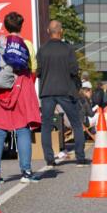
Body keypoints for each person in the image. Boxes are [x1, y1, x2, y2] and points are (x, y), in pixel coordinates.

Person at [0, 12, 41, 183]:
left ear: (5, 26)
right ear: (21, 26)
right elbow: (33, 69)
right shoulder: (27, 44)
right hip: (21, 88)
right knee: (23, 129)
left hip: (0, 90)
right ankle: (26, 172)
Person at [38, 19, 87, 167]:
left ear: (48, 31)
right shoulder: (68, 49)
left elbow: (39, 72)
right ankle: (80, 157)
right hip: (66, 91)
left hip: (47, 91)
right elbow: (74, 70)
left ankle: (49, 159)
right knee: (76, 123)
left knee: (46, 125)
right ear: (61, 31)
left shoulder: (42, 50)